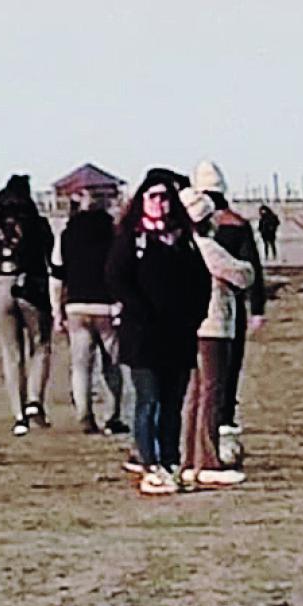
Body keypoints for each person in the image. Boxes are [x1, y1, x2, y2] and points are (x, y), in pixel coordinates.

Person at [106, 169, 211, 494]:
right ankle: (150, 465)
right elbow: (116, 279)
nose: (160, 204)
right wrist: (142, 312)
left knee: (172, 404)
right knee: (148, 401)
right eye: (153, 197)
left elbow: (201, 282)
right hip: (143, 337)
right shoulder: (131, 240)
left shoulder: (184, 241)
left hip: (178, 337)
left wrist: (194, 316)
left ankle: (170, 462)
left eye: (165, 197)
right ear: (142, 201)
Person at [179, 186, 255, 488]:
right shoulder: (206, 247)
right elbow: (241, 274)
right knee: (211, 393)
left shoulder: (183, 246)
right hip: (213, 327)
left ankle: (190, 456)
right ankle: (206, 458)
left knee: (195, 395)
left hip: (193, 326)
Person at [190, 161, 266, 436]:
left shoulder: (187, 230)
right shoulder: (236, 224)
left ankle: (203, 422)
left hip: (191, 307)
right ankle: (224, 418)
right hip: (228, 304)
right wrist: (257, 307)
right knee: (228, 366)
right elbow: (252, 268)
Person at [0, 174, 56, 435]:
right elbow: (49, 256)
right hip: (32, 284)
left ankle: (18, 414)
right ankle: (35, 401)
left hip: (0, 284)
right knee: (41, 345)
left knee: (10, 353)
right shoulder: (38, 224)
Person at [53, 189, 127, 435]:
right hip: (106, 305)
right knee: (112, 365)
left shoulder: (66, 234)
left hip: (76, 305)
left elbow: (57, 274)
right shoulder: (114, 233)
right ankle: (112, 415)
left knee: (81, 365)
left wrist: (57, 311)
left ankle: (84, 416)